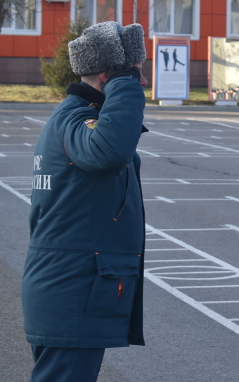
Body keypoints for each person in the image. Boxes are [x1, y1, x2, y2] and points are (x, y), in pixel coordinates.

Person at [22, 21, 149, 381]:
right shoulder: (77, 120)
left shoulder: (77, 118)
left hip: (73, 289)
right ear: (109, 75)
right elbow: (110, 152)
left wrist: (119, 82)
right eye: (135, 73)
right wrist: (122, 84)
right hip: (74, 291)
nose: (142, 83)